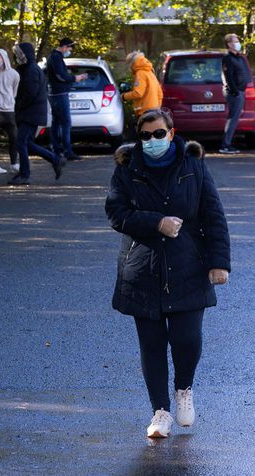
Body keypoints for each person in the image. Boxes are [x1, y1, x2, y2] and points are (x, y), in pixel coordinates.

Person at [105, 109, 230, 439]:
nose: (152, 141)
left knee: (187, 339)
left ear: (172, 134)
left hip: (188, 263)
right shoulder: (126, 168)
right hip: (141, 267)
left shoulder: (194, 165)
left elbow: (213, 215)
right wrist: (155, 222)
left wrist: (220, 263)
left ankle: (184, 389)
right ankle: (160, 411)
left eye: (159, 134)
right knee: (152, 343)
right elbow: (116, 213)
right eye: (145, 136)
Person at [8, 42, 66, 186]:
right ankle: (55, 160)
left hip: (30, 112)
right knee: (27, 143)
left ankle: (25, 174)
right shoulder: (29, 69)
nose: (16, 58)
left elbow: (30, 93)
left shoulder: (31, 70)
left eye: (18, 55)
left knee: (21, 142)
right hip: (32, 112)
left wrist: (18, 106)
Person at [46, 38, 88, 161]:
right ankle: (67, 151)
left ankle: (56, 149)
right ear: (64, 46)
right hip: (59, 93)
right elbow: (61, 76)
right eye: (70, 48)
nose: (70, 50)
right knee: (66, 122)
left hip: (56, 93)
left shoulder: (54, 57)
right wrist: (76, 78)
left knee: (57, 122)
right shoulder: (56, 57)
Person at [220, 33, 249, 154]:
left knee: (234, 119)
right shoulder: (227, 58)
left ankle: (227, 143)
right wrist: (235, 92)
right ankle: (225, 145)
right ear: (229, 44)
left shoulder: (239, 57)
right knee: (232, 119)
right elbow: (228, 76)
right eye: (235, 41)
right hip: (235, 93)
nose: (238, 43)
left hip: (241, 92)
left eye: (238, 40)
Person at [122, 51, 163, 117]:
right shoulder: (150, 72)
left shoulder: (140, 73)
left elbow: (138, 93)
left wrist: (123, 96)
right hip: (155, 111)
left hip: (144, 111)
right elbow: (160, 94)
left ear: (132, 64)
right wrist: (157, 108)